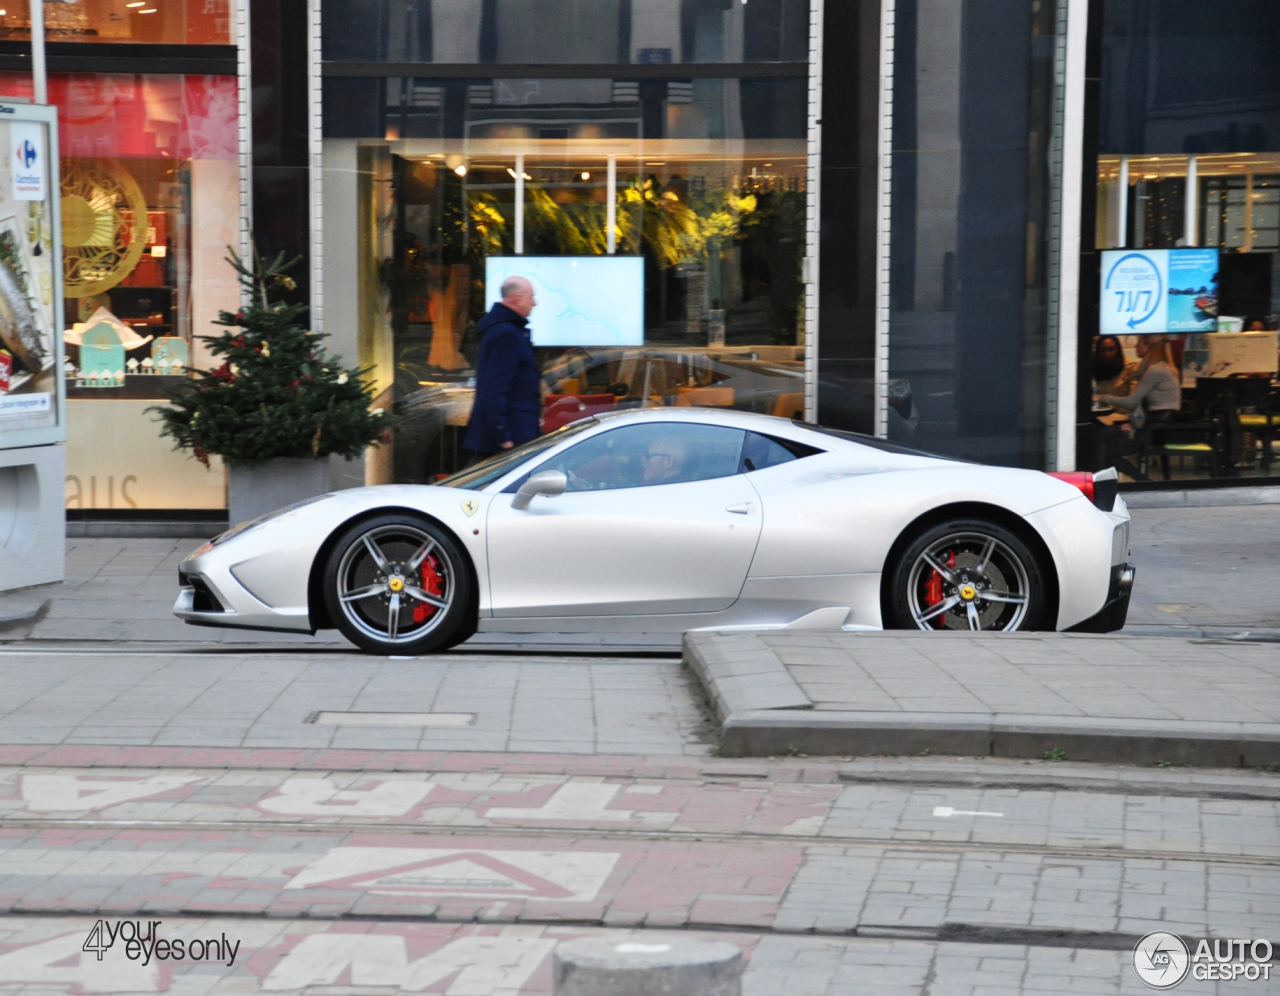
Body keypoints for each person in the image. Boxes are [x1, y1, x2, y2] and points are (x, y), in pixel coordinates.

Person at [463, 276, 540, 462]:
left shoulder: (505, 330)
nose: (535, 303)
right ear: (517, 298)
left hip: (510, 435)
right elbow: (494, 389)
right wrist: (504, 437)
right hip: (507, 442)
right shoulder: (507, 334)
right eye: (531, 297)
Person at [1095, 334, 1180, 429]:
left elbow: (1131, 402)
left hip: (1158, 421)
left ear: (1149, 345)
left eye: (1139, 342)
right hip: (1159, 419)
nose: (1136, 346)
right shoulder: (1158, 367)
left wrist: (1102, 397)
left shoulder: (1156, 370)